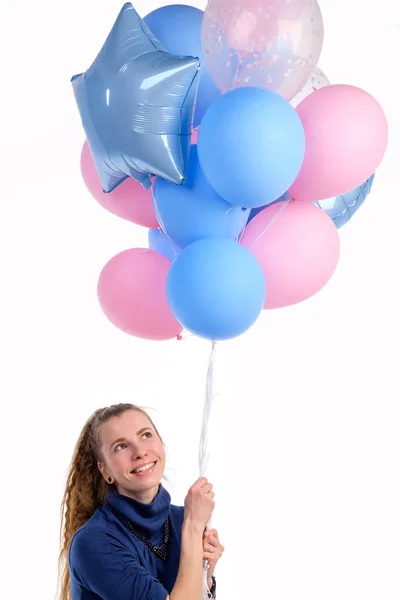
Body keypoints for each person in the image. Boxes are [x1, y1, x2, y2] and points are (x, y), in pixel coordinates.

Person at [58, 403, 224, 600]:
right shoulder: (93, 542)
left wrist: (205, 578)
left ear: (160, 442)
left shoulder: (182, 519)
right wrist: (193, 528)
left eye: (145, 435)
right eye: (121, 446)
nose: (139, 451)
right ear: (105, 470)